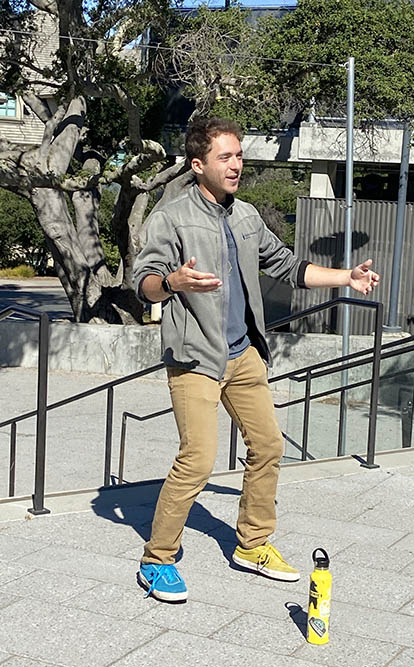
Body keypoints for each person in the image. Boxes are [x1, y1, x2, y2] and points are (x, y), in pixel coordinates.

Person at [132, 116, 379, 602]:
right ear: (198, 164)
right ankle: (157, 559)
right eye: (226, 156)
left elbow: (288, 266)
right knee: (198, 460)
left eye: (239, 155)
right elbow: (143, 281)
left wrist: (345, 277)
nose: (236, 164)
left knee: (268, 446)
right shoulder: (172, 216)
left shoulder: (245, 216)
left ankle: (254, 544)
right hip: (195, 358)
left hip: (243, 355)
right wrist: (172, 284)